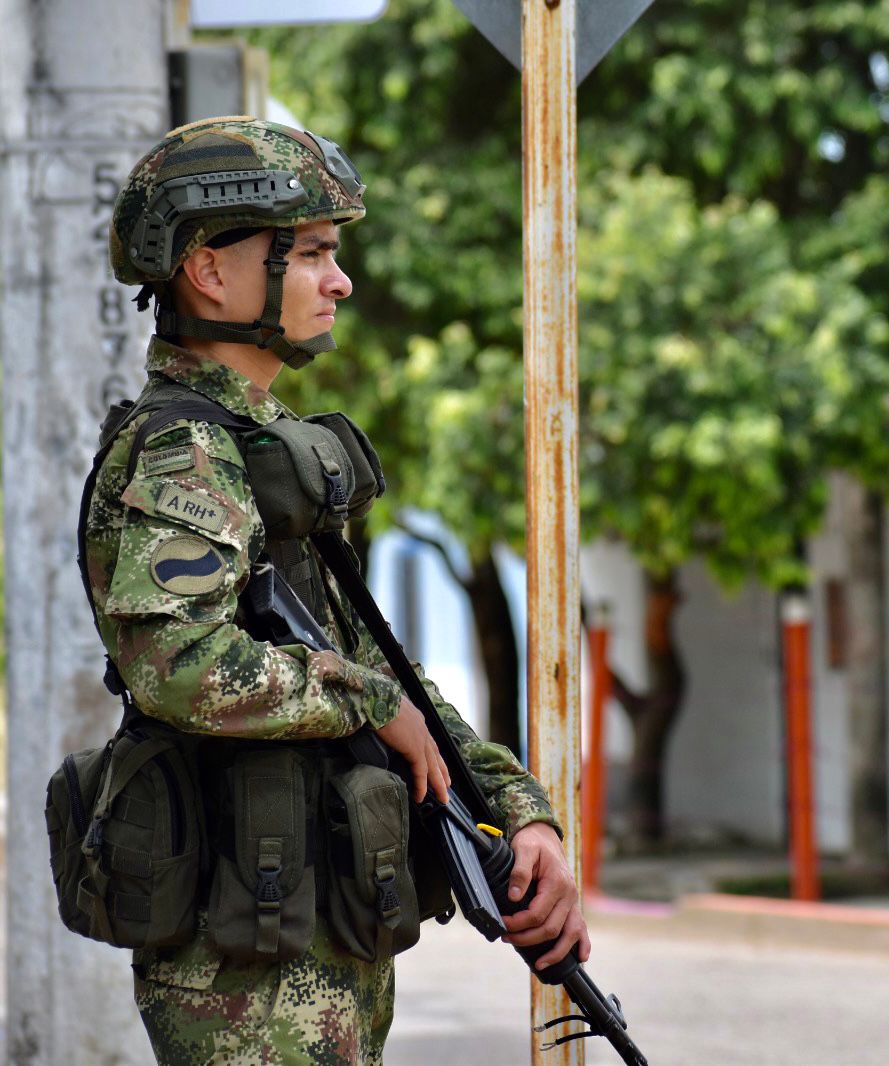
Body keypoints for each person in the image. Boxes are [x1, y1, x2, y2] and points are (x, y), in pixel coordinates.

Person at [87, 115, 589, 1062]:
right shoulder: (182, 451)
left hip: (316, 940)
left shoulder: (261, 448)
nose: (340, 280)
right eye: (312, 252)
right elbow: (177, 663)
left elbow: (378, 665)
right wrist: (364, 698)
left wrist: (522, 814)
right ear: (208, 267)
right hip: (245, 964)